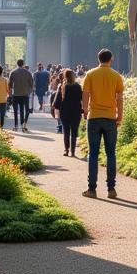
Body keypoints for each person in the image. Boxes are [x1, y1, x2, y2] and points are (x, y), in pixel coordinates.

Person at [82, 48, 124, 199]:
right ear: (111, 59)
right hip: (110, 117)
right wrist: (120, 116)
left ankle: (91, 189)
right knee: (111, 153)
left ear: (98, 59)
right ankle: (111, 189)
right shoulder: (116, 76)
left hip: (94, 117)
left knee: (93, 153)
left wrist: (85, 112)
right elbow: (119, 97)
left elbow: (85, 94)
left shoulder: (90, 74)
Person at [54, 68, 84, 157]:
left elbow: (58, 101)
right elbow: (81, 98)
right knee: (74, 132)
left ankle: (66, 150)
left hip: (65, 112)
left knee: (66, 132)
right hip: (76, 111)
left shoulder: (62, 86)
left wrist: (57, 109)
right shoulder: (77, 86)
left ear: (64, 76)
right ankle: (73, 151)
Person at [9, 58, 34, 132]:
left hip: (16, 94)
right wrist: (29, 91)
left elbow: (10, 85)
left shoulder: (13, 72)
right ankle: (23, 125)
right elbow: (31, 84)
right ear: (23, 64)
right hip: (25, 94)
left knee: (15, 111)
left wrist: (10, 93)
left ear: (17, 64)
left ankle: (16, 126)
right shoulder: (28, 73)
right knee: (24, 110)